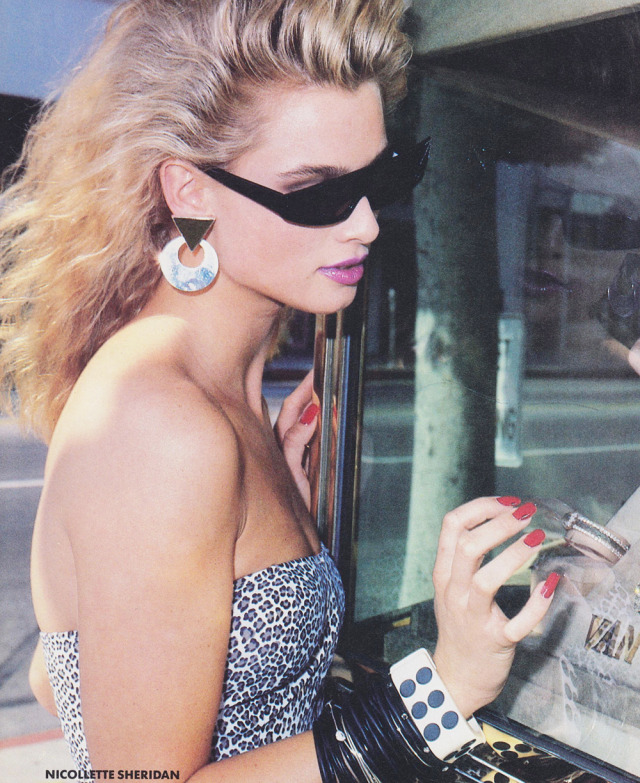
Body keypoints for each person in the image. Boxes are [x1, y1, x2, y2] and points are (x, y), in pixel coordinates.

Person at [0, 0, 558, 780]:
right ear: (189, 192)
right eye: (318, 192)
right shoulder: (162, 423)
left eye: (383, 176)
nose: (365, 222)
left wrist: (249, 552)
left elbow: (53, 679)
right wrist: (441, 689)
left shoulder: (222, 390)